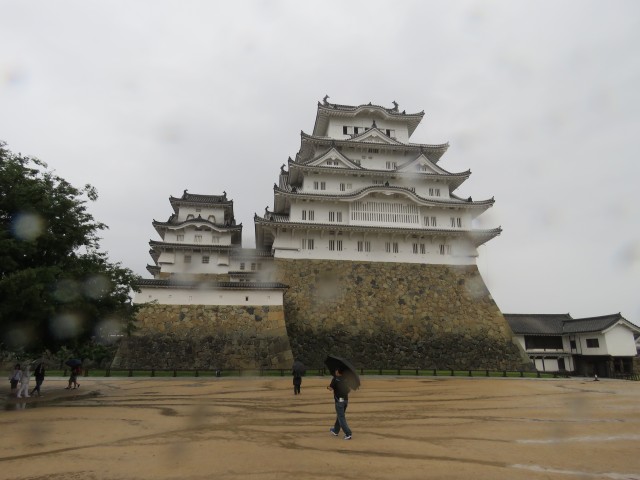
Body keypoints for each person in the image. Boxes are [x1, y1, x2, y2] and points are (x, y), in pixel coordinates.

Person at [327, 368, 352, 440]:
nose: (335, 371)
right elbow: (349, 389)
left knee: (341, 417)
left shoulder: (335, 379)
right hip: (345, 400)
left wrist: (327, 387)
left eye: (336, 370)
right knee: (340, 415)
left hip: (339, 401)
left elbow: (331, 388)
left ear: (338, 372)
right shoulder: (346, 379)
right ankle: (336, 430)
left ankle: (348, 433)